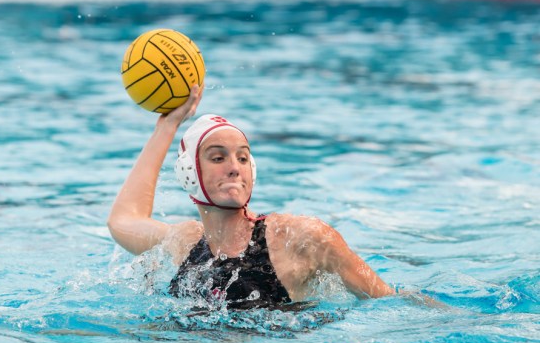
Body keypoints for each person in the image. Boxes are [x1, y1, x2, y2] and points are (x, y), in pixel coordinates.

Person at [107, 85, 395, 310]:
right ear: (189, 173)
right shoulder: (185, 243)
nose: (234, 168)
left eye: (243, 158)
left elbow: (390, 301)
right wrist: (166, 127)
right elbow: (123, 220)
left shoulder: (297, 238)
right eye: (218, 157)